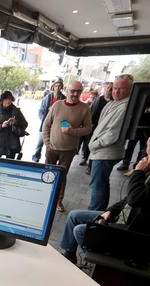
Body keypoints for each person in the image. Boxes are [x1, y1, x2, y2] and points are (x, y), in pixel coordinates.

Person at [60, 128, 150, 264]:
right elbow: (129, 198)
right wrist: (111, 210)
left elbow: (135, 199)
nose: (145, 149)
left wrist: (138, 172)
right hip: (126, 216)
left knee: (80, 231)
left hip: (135, 230)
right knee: (74, 216)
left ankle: (102, 263)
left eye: (147, 146)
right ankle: (69, 257)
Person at [42, 81, 92, 212]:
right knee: (48, 174)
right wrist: (47, 143)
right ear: (67, 90)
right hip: (52, 148)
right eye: (73, 91)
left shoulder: (84, 108)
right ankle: (44, 197)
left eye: (79, 91)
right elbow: (46, 125)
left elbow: (88, 129)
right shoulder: (57, 105)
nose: (75, 94)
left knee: (62, 177)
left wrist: (72, 131)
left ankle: (58, 201)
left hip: (69, 150)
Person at [87, 74, 134, 211]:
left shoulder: (125, 107)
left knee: (98, 186)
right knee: (99, 184)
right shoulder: (114, 103)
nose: (116, 91)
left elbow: (113, 134)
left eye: (121, 89)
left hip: (105, 152)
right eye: (115, 88)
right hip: (102, 151)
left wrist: (93, 145)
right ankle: (96, 213)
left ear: (130, 90)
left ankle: (93, 215)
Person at [0, 91, 28, 159]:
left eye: (10, 99)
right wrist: (1, 126)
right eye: (6, 99)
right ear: (2, 100)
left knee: (10, 167)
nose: (8, 101)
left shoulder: (16, 111)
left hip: (12, 145)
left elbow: (25, 124)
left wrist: (16, 122)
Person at [82, 82, 113, 173]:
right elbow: (92, 112)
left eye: (111, 89)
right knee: (90, 143)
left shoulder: (113, 102)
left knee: (98, 147)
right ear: (104, 89)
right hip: (95, 127)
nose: (109, 90)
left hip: (106, 129)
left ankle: (91, 165)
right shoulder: (99, 100)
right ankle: (85, 158)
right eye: (108, 88)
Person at [32, 79, 65, 162]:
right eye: (56, 86)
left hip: (56, 126)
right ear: (53, 87)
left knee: (50, 145)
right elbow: (40, 111)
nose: (57, 87)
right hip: (44, 124)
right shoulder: (47, 98)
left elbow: (65, 114)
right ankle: (35, 158)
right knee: (40, 143)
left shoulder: (63, 99)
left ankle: (48, 161)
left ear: (62, 87)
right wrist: (45, 119)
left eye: (59, 86)